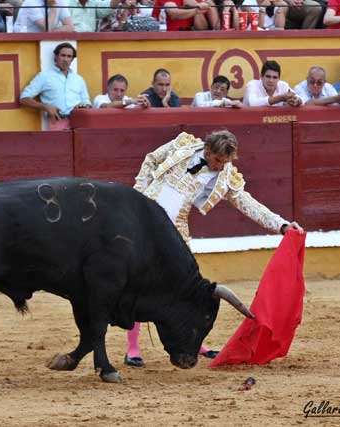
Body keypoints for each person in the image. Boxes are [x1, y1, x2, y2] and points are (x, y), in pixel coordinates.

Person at [124, 130, 304, 367]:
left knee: (184, 289)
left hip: (175, 232)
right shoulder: (183, 144)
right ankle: (132, 349)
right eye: (218, 160)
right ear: (207, 151)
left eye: (226, 162)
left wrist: (281, 225)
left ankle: (194, 342)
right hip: (143, 220)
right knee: (136, 281)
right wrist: (138, 193)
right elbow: (151, 159)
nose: (221, 166)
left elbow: (248, 203)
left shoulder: (225, 175)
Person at [20, 42, 91, 130]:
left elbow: (87, 102)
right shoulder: (44, 76)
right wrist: (46, 107)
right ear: (56, 57)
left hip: (79, 122)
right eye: (63, 55)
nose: (65, 59)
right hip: (57, 121)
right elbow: (24, 98)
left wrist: (84, 106)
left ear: (72, 60)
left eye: (69, 56)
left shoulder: (79, 79)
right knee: (59, 144)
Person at [152, 0, 219, 30]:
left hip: (188, 38)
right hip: (166, 37)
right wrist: (195, 9)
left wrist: (195, 8)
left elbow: (202, 28)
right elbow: (173, 14)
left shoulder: (196, 1)